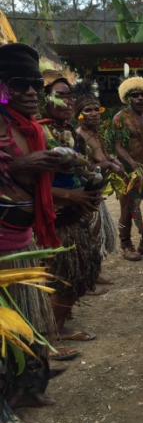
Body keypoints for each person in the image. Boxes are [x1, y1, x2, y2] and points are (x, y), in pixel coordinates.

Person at [0, 43, 74, 383]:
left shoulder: (30, 127)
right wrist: (18, 164)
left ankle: (27, 383)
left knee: (26, 318)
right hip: (3, 250)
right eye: (19, 83)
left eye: (35, 84)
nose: (31, 91)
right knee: (8, 323)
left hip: (24, 242)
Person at [39, 78, 102, 342]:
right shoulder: (38, 133)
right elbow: (30, 184)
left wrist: (92, 180)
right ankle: (54, 331)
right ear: (45, 99)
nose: (66, 101)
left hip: (74, 214)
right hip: (54, 217)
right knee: (64, 275)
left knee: (78, 272)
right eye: (59, 95)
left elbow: (79, 169)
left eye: (69, 96)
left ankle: (57, 324)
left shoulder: (71, 134)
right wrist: (69, 195)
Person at [74, 79, 122, 291]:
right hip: (85, 193)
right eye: (88, 110)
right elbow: (84, 166)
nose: (94, 113)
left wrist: (111, 161)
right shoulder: (78, 136)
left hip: (96, 192)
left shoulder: (94, 133)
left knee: (96, 234)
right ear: (79, 114)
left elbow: (103, 158)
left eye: (97, 109)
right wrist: (109, 164)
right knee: (89, 236)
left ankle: (95, 273)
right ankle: (87, 279)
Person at [112, 76, 143, 260]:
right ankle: (125, 244)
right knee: (128, 208)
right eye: (135, 95)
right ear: (128, 98)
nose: (140, 98)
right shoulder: (120, 119)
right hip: (127, 172)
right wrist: (131, 163)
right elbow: (117, 146)